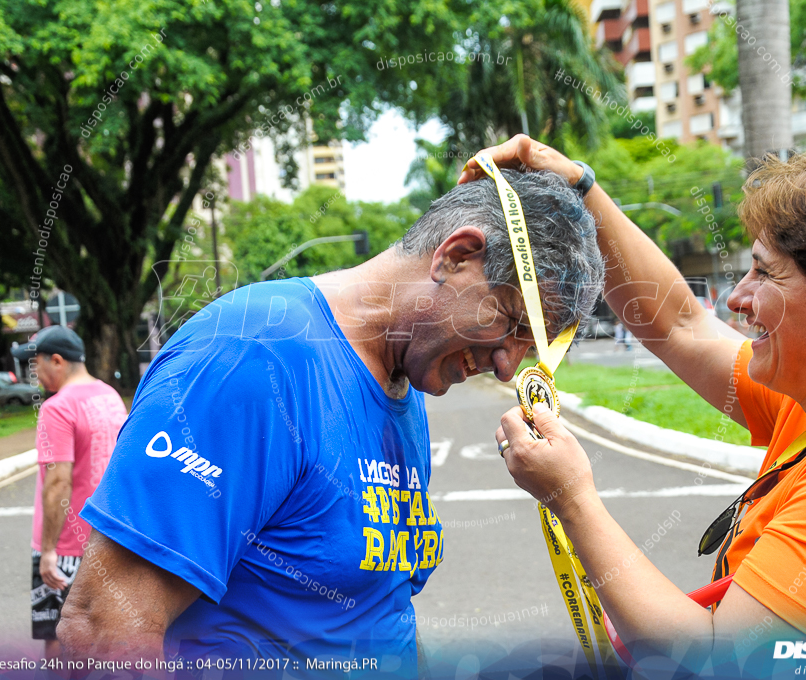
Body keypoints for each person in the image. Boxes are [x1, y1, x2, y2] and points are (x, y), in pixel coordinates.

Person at [57, 169, 604, 675]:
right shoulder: (252, 354)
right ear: (457, 256)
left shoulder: (404, 388)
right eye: (510, 325)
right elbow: (104, 630)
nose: (509, 367)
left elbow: (373, 611)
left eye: (528, 348)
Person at [461, 136, 806, 664]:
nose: (736, 297)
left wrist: (571, 498)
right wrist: (581, 186)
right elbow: (680, 324)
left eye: (766, 272)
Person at [10, 325, 127, 659]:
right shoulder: (110, 397)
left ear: (57, 361)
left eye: (35, 364)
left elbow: (58, 481)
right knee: (101, 637)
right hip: (106, 541)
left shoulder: (56, 408)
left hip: (66, 549)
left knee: (58, 643)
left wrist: (48, 551)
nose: (34, 373)